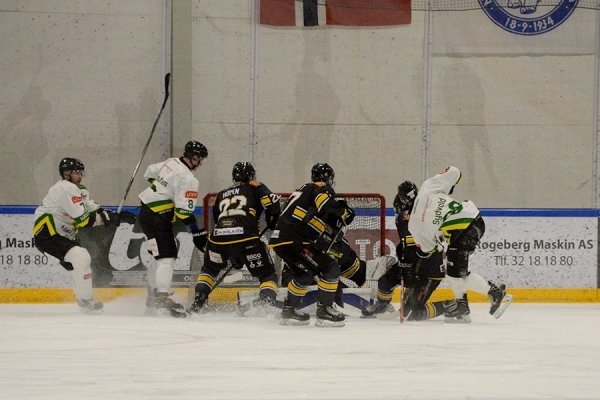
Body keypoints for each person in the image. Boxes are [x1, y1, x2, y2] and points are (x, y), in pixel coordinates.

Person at [408, 166, 513, 323]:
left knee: (457, 273)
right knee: (455, 272)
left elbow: (428, 251)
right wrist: (450, 187)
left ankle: (495, 293)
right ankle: (462, 308)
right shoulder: (427, 187)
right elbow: (455, 172)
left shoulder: (414, 227)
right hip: (472, 218)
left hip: (465, 229)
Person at [32, 158, 136, 314]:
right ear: (66, 174)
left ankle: (84, 300)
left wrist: (117, 217)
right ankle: (85, 301)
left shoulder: (80, 190)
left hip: (62, 235)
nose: (80, 176)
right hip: (47, 234)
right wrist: (109, 220)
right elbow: (84, 220)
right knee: (81, 256)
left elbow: (96, 211)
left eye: (81, 172)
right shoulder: (65, 188)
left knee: (79, 260)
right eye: (76, 172)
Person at [187, 162, 281, 316]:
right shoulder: (255, 186)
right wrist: (272, 220)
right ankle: (267, 305)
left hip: (217, 240)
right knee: (267, 274)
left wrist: (233, 254)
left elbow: (218, 219)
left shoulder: (221, 194)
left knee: (209, 270)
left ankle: (198, 302)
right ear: (251, 176)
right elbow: (274, 204)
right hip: (246, 238)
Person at [268, 163, 355, 327]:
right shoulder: (321, 187)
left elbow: (308, 217)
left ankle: (289, 310)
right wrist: (342, 211)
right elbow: (325, 205)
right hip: (294, 240)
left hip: (279, 240)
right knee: (331, 268)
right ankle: (324, 311)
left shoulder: (302, 190)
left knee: (304, 274)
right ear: (328, 178)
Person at [138, 140, 209, 317]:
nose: (200, 164)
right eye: (200, 160)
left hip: (145, 213)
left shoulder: (170, 162)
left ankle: (152, 296)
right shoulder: (188, 178)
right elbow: (185, 213)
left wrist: (163, 187)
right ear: (193, 158)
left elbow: (149, 172)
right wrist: (196, 231)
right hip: (158, 217)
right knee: (167, 258)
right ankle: (161, 298)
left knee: (158, 257)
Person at [361, 181, 447, 321]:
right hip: (412, 263)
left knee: (414, 313)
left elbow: (424, 246)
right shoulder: (404, 216)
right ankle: (382, 305)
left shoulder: (423, 213)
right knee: (385, 281)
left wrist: (409, 265)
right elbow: (406, 244)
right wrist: (404, 259)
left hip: (430, 271)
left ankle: (450, 305)